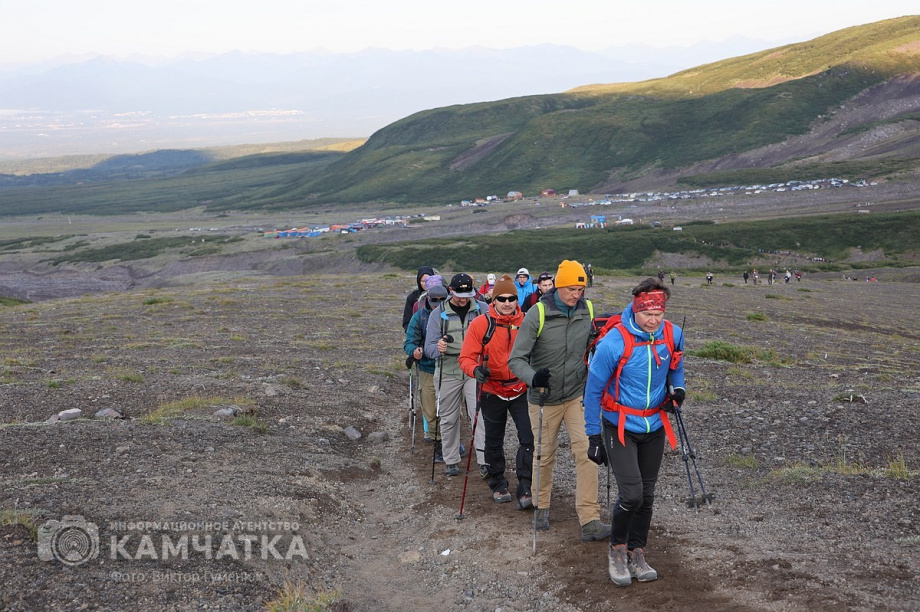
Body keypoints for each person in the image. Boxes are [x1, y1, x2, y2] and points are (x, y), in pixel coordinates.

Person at [583, 277, 685, 587]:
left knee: (648, 495)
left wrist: (678, 390)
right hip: (619, 425)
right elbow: (592, 390)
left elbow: (676, 366)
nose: (654, 321)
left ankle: (637, 551)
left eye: (659, 314)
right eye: (647, 315)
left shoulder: (673, 334)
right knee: (632, 493)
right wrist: (593, 436)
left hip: (654, 425)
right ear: (635, 309)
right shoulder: (614, 342)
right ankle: (617, 550)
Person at [509, 260, 611, 542]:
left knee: (588, 452)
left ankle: (590, 519)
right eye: (570, 288)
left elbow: (595, 341)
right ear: (558, 286)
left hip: (577, 395)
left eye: (580, 288)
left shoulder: (587, 310)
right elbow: (515, 359)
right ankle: (542, 506)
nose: (576, 294)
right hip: (543, 399)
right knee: (544, 454)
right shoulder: (538, 313)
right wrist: (533, 377)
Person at [459, 275, 533, 508]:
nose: (507, 302)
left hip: (522, 389)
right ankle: (498, 483)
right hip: (492, 389)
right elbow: (465, 358)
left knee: (528, 438)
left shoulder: (527, 322)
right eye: (502, 298)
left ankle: (525, 485)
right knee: (493, 440)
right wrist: (475, 370)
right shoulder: (481, 324)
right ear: (494, 299)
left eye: (512, 298)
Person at [425, 273, 490, 478]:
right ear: (450, 291)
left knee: (479, 417)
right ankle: (451, 460)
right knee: (449, 418)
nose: (464, 298)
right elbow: (429, 348)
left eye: (468, 293)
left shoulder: (483, 309)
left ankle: (483, 460)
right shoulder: (438, 314)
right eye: (460, 294)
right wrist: (439, 347)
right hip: (448, 370)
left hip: (474, 370)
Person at [404, 281, 449, 458]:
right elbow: (409, 341)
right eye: (434, 300)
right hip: (427, 368)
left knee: (450, 409)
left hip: (451, 369)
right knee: (430, 410)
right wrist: (413, 351)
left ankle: (450, 442)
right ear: (428, 299)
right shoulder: (419, 317)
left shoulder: (455, 316)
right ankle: (438, 441)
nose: (437, 303)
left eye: (442, 300)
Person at [402, 266, 435, 330]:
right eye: (422, 281)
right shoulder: (412, 297)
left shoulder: (440, 295)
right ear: (418, 281)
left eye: (428, 280)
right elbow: (406, 321)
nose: (426, 284)